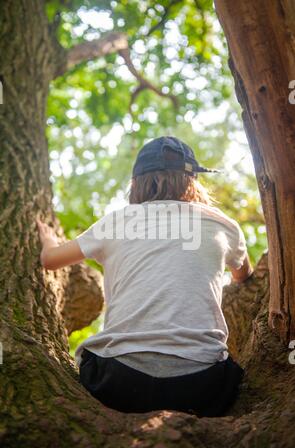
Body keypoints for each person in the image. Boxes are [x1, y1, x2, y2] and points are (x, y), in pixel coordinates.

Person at [37, 136, 254, 417]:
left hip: (117, 381)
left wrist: (48, 239)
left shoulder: (117, 220)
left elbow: (50, 261)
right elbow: (244, 275)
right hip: (203, 386)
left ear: (136, 183)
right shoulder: (222, 224)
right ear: (192, 180)